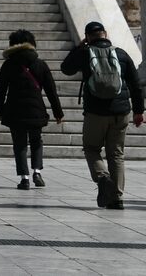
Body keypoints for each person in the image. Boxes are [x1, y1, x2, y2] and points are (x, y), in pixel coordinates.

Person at [61, 22, 144, 209]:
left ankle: (103, 177)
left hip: (96, 112)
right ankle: (117, 197)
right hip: (121, 111)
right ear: (105, 34)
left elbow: (66, 68)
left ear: (88, 36)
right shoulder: (121, 54)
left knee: (91, 148)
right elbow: (136, 84)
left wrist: (79, 47)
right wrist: (139, 111)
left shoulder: (84, 53)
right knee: (116, 154)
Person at [0, 30, 64, 190]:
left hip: (14, 110)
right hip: (36, 110)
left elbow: (1, 90)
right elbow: (51, 91)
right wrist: (58, 113)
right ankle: (37, 171)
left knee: (19, 144)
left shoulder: (8, 65)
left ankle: (24, 178)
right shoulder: (40, 64)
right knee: (36, 141)